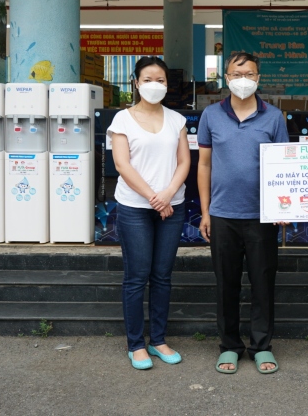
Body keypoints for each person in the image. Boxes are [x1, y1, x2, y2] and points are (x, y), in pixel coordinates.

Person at [197, 51, 289, 375]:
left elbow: (284, 166)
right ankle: (230, 346)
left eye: (249, 74)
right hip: (222, 215)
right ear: (226, 78)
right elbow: (204, 164)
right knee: (227, 284)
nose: (243, 80)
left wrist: (282, 206)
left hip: (262, 216)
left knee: (263, 282)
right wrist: (205, 212)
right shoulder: (210, 115)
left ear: (258, 78)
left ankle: (262, 346)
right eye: (237, 75)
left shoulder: (274, 118)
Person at [108, 56, 191, 370]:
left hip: (172, 206)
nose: (155, 85)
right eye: (148, 80)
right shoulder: (122, 120)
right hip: (135, 208)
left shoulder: (176, 120)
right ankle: (135, 345)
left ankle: (158, 339)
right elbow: (121, 165)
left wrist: (168, 193)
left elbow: (184, 162)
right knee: (136, 277)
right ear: (136, 82)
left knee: (162, 277)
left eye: (161, 80)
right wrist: (154, 197)